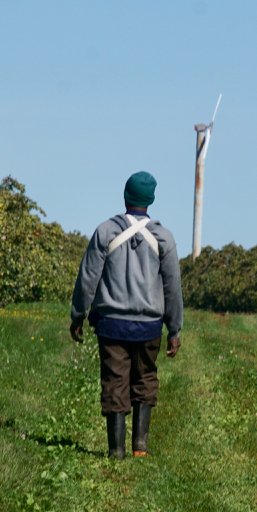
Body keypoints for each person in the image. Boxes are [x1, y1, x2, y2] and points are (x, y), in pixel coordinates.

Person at [70, 171, 183, 459]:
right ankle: (140, 449)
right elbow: (172, 287)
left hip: (111, 326)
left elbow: (88, 278)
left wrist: (78, 315)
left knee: (115, 381)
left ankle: (116, 451)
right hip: (149, 327)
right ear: (151, 200)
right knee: (145, 378)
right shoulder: (164, 237)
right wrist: (174, 329)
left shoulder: (105, 231)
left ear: (125, 196)